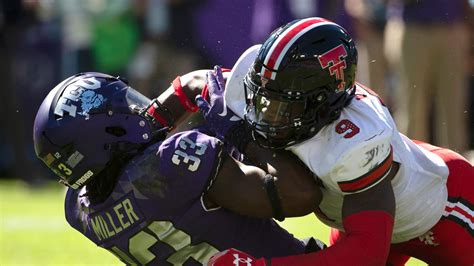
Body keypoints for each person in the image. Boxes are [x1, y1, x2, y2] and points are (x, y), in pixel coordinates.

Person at [196, 17, 474, 265]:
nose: (269, 113)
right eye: (267, 98)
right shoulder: (273, 88)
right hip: (355, 217)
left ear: (320, 101)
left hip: (443, 210)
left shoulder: (356, 144)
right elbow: (197, 84)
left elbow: (366, 255)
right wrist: (156, 118)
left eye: (285, 104)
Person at [32, 72, 325, 265]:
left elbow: (136, 144)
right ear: (111, 132)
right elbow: (300, 194)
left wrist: (189, 91)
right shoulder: (173, 162)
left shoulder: (80, 210)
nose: (138, 110)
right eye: (126, 108)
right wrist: (239, 132)